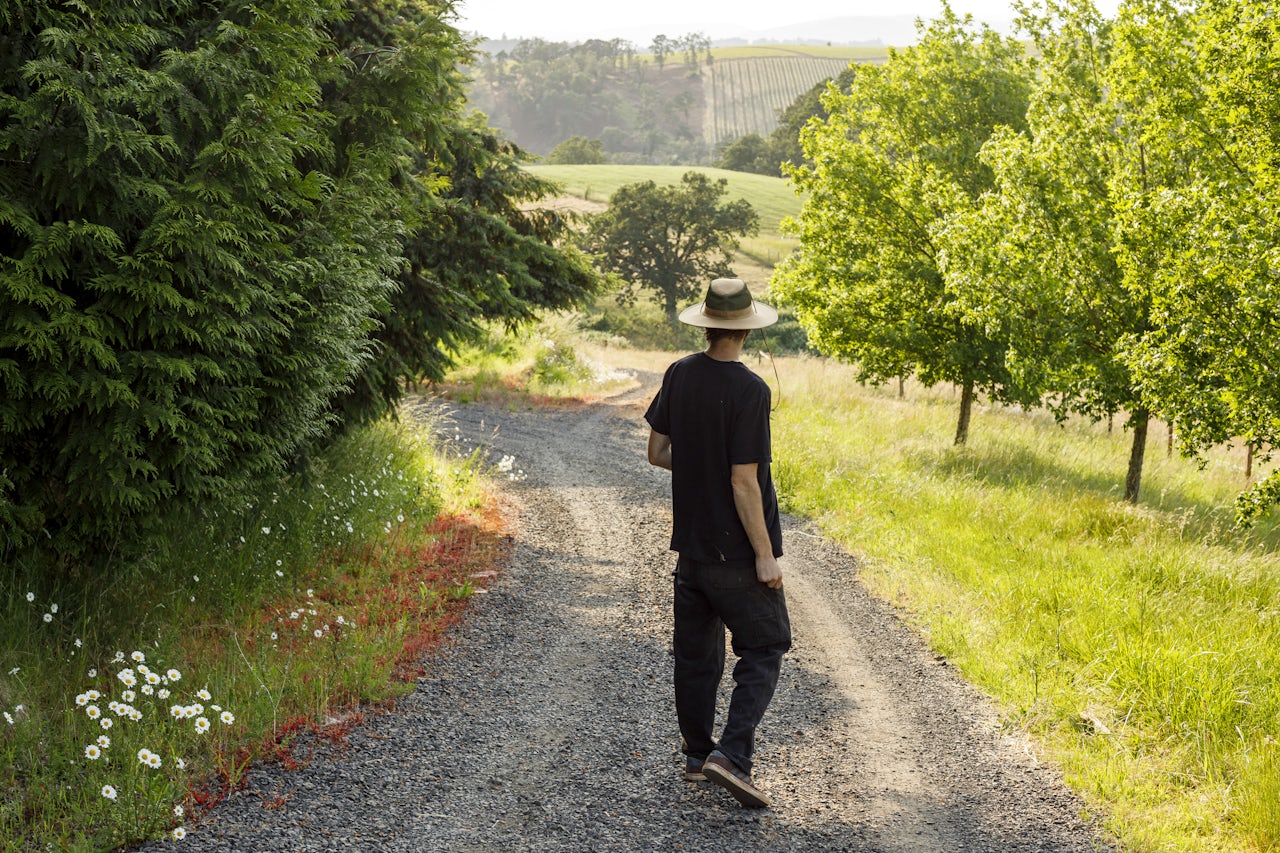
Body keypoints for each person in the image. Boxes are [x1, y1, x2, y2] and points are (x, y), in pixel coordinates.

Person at [644, 277, 791, 809]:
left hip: (692, 550)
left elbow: (657, 451)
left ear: (705, 324)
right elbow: (744, 480)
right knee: (767, 645)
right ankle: (731, 757)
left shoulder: (679, 373)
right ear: (747, 329)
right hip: (736, 554)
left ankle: (695, 756)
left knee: (697, 653)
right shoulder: (752, 391)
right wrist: (765, 555)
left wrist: (697, 464)